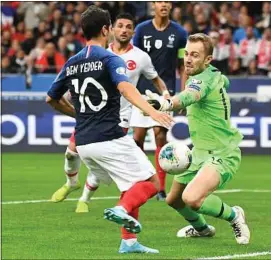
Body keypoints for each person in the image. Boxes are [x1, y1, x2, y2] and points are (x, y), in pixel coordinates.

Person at [46, 5, 172, 254]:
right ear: (106, 29)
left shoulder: (72, 63)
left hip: (83, 142)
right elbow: (126, 88)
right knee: (151, 182)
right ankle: (121, 210)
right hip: (110, 137)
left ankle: (129, 242)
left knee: (130, 187)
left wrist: (77, 114)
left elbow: (51, 98)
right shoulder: (110, 58)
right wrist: (153, 111)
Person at [145, 33, 250, 244]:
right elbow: (221, 83)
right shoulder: (212, 76)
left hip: (222, 153)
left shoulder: (202, 81)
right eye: (187, 54)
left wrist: (165, 104)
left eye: (195, 55)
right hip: (199, 153)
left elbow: (189, 95)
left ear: (208, 59)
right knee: (173, 200)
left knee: (191, 199)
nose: (188, 59)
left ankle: (234, 215)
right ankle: (202, 229)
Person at [131, 1, 188, 200]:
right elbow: (132, 59)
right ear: (152, 5)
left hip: (165, 92)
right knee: (137, 138)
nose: (163, 4)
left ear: (171, 6)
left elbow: (183, 67)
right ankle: (141, 179)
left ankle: (160, 188)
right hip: (140, 91)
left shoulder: (180, 33)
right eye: (159, 1)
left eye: (167, 1)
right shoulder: (141, 30)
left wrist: (182, 96)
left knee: (160, 136)